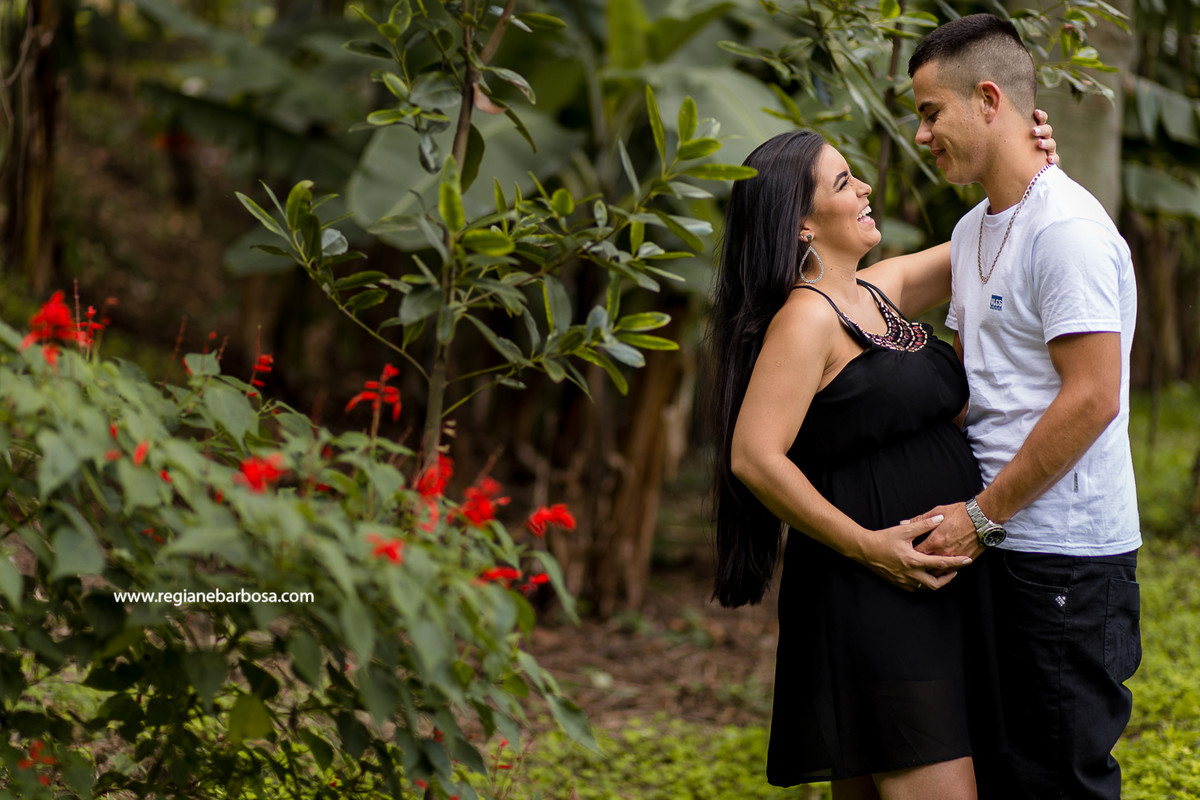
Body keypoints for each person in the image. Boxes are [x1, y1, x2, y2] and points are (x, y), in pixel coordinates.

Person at [705, 122, 1058, 796]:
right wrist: (870, 548)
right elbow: (754, 454)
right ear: (802, 226)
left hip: (933, 583)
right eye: (843, 183)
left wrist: (1026, 158)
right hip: (876, 588)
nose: (865, 187)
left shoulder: (876, 291)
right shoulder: (806, 318)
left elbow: (995, 237)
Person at [906, 14, 1141, 800]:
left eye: (931, 112)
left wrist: (980, 517)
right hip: (1001, 544)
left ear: (988, 98)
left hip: (1064, 557)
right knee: (1007, 773)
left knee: (1058, 780)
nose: (920, 133)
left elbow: (1094, 395)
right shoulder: (974, 228)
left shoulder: (1067, 231)